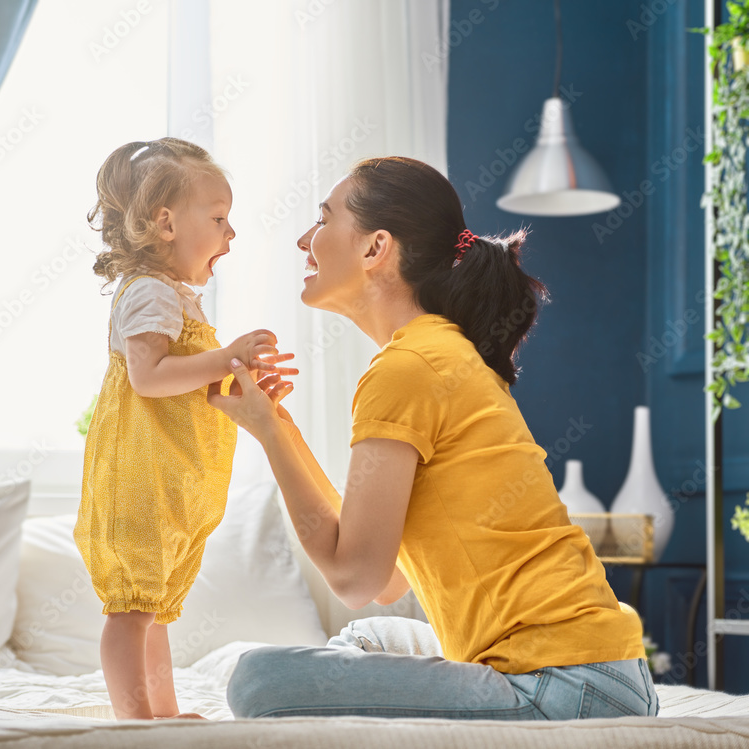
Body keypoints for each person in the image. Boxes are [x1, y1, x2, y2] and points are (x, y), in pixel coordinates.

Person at [207, 156, 657, 720]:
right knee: (369, 634)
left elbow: (353, 576)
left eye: (322, 220)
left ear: (375, 249)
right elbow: (388, 578)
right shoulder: (436, 350)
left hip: (563, 684)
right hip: (602, 673)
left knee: (256, 680)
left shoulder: (408, 367)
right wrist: (276, 425)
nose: (305, 239)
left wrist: (268, 437)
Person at [74, 137, 296, 720]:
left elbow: (183, 384)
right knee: (132, 611)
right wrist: (226, 357)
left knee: (152, 612)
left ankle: (162, 714)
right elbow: (148, 378)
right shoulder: (149, 292)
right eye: (219, 218)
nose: (231, 233)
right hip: (140, 480)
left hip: (168, 482)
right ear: (165, 223)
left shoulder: (173, 296)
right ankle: (134, 721)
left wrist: (239, 378)